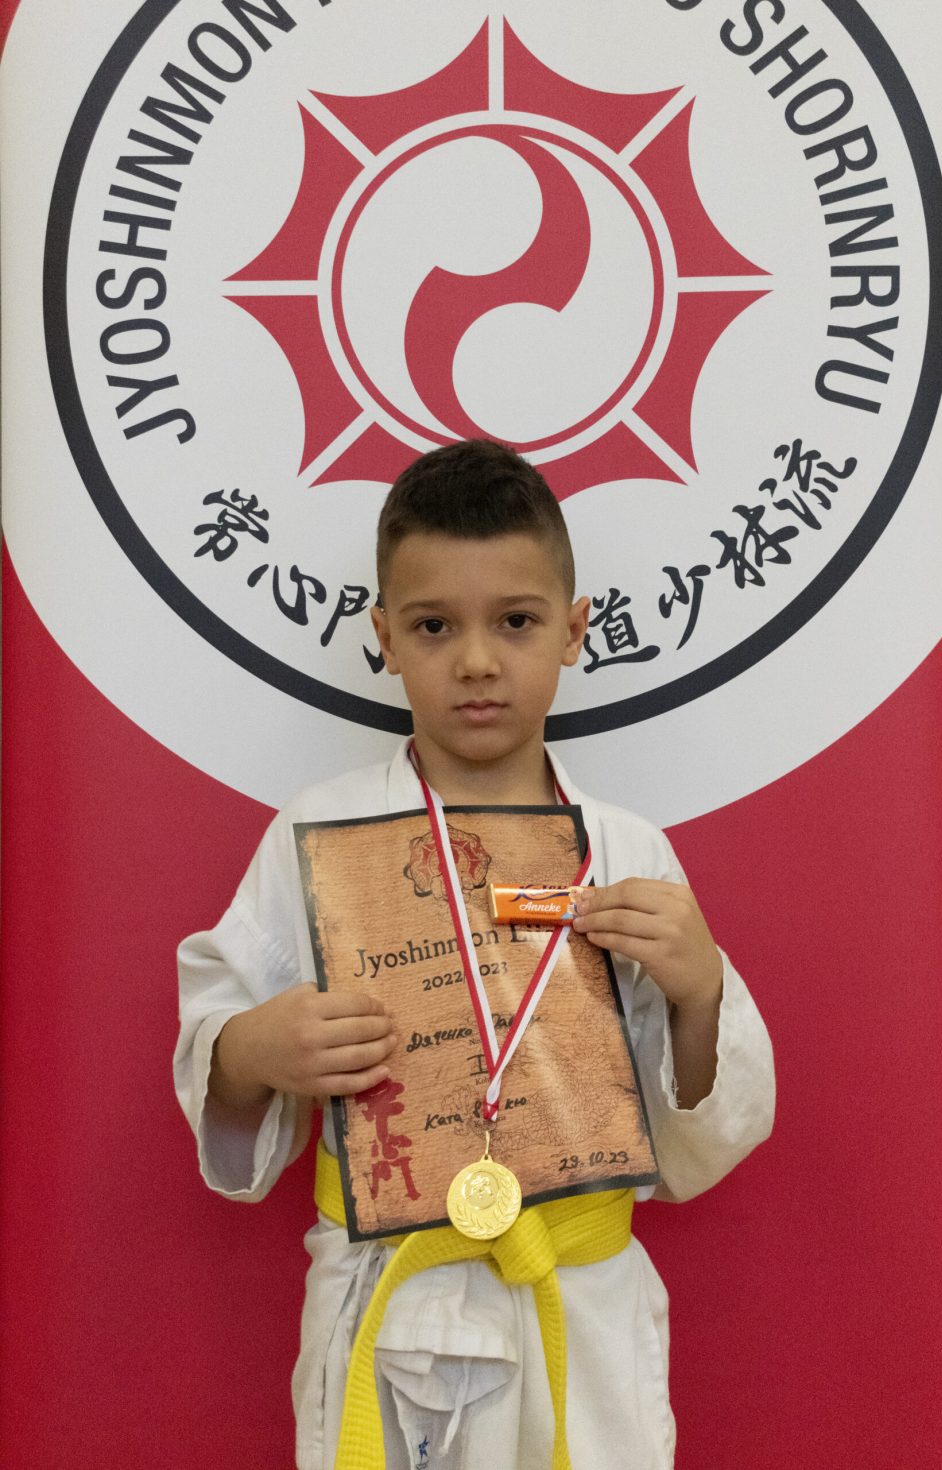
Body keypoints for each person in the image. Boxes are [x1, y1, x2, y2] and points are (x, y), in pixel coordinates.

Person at [175, 438, 775, 1470]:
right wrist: (252, 1051)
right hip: (390, 1293)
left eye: (516, 621)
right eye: (433, 626)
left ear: (574, 630)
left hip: (577, 1301)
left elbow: (699, 1139)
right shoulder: (319, 834)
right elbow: (218, 1047)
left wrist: (698, 990)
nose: (477, 662)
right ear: (384, 638)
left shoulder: (625, 850)